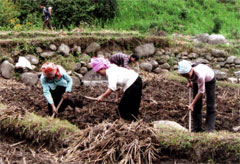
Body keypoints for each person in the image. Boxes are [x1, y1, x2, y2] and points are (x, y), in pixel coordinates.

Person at [178, 60, 216, 133]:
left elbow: (201, 92)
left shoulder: (199, 75)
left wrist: (192, 104)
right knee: (197, 104)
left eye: (187, 74)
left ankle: (209, 129)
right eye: (183, 75)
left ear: (191, 70)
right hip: (196, 79)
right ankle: (197, 128)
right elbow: (187, 75)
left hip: (209, 79)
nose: (185, 76)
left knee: (210, 104)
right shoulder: (187, 68)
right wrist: (189, 82)